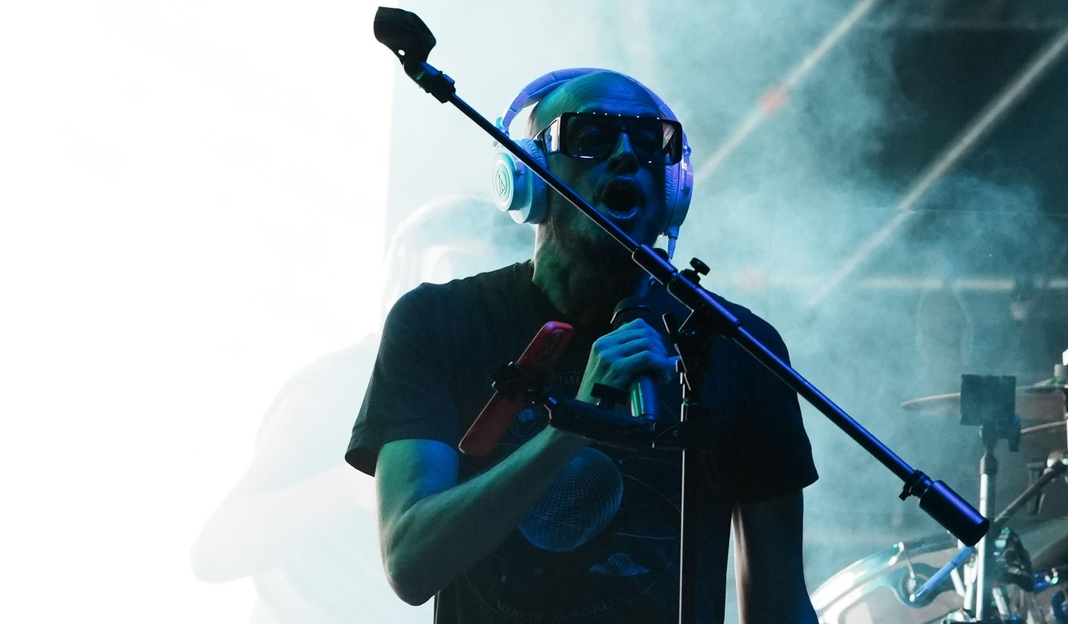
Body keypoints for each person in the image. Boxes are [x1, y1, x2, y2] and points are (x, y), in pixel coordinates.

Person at [346, 69, 819, 624]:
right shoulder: (439, 322)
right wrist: (574, 425)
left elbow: (779, 603)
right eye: (590, 137)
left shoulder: (741, 346)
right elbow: (410, 562)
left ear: (674, 188)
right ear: (528, 175)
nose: (626, 155)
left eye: (650, 143)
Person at [191, 195, 514, 624]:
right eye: (458, 278)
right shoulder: (337, 385)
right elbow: (216, 549)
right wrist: (348, 487)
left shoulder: (491, 396)